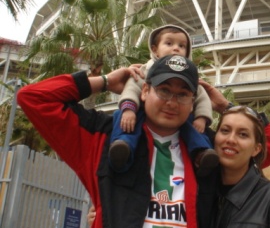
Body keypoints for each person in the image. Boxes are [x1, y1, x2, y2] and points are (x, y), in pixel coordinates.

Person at [18, 54, 202, 228]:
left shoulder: (205, 151)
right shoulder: (103, 137)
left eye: (183, 94)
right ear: (144, 90)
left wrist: (226, 108)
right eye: (164, 90)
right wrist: (105, 81)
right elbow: (33, 98)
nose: (172, 102)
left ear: (193, 101)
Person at [110, 25, 218, 176]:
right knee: (121, 118)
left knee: (194, 129)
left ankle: (202, 154)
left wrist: (202, 117)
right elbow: (132, 88)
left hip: (184, 122)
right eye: (169, 43)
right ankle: (122, 147)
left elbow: (202, 97)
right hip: (140, 112)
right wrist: (128, 108)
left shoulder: (190, 76)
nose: (176, 49)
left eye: (182, 46)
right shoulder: (145, 70)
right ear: (154, 49)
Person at [197, 105, 270, 228]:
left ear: (256, 149)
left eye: (243, 134)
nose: (231, 140)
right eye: (225, 130)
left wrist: (225, 105)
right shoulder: (198, 193)